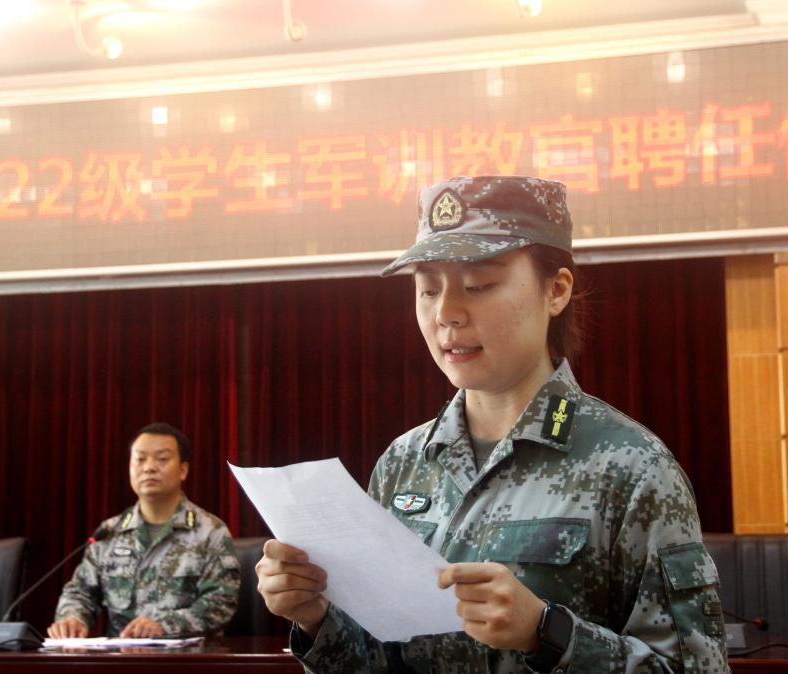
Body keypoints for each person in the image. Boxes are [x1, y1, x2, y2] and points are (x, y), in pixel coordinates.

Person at [255, 176, 730, 673]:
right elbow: (377, 661)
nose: (446, 313)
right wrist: (316, 618)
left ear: (556, 290)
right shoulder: (403, 463)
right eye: (428, 289)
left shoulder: (632, 466)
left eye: (478, 286)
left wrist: (547, 634)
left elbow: (699, 669)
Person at [48, 422, 240, 638]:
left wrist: (165, 625)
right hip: (121, 654)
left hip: (188, 654)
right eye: (140, 459)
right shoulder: (109, 532)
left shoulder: (210, 531)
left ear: (183, 470)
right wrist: (72, 618)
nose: (149, 468)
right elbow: (81, 592)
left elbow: (221, 601)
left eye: (162, 459)